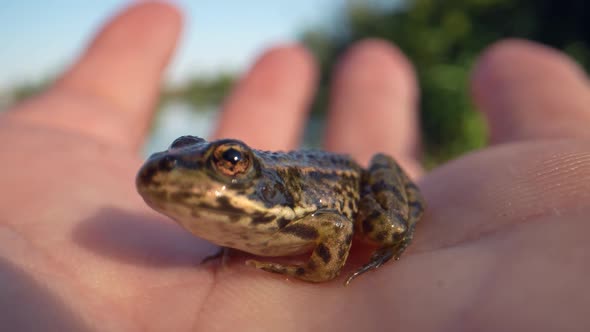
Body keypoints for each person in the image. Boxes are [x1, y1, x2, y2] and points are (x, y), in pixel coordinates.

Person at [1, 2, 588, 331]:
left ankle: (389, 236)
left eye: (226, 161)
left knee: (381, 226)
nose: (201, 170)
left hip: (346, 183)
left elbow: (333, 227)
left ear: (243, 169)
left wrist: (313, 272)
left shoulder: (290, 207)